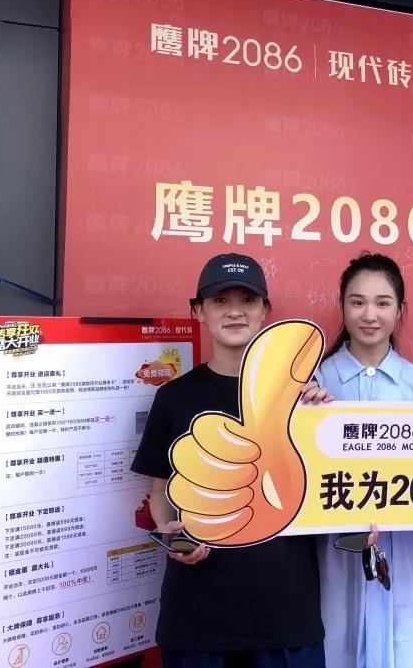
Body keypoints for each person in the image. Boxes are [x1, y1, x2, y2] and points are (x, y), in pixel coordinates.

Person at [131, 253, 326, 668]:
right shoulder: (174, 397)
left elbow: (332, 495)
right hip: (197, 619)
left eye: (247, 300)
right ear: (198, 311)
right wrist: (173, 538)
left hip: (286, 618)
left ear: (265, 310)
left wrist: (324, 416)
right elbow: (160, 493)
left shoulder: (306, 401)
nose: (235, 311)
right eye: (220, 301)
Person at [312, 252, 413, 668]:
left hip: (408, 561)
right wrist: (303, 415)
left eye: (382, 303)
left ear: (400, 310)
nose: (369, 314)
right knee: (337, 648)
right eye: (357, 302)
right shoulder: (314, 384)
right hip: (336, 558)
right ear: (342, 306)